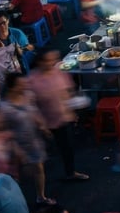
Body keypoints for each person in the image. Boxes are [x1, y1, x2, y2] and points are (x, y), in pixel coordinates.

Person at [28, 48, 89, 181]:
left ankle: (70, 172)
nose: (52, 63)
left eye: (54, 60)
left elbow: (68, 91)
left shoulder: (59, 72)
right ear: (40, 62)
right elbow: (31, 105)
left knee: (67, 147)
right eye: (48, 60)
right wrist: (41, 125)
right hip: (45, 123)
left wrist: (72, 110)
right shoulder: (32, 80)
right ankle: (38, 178)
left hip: (63, 118)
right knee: (44, 152)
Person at [0, 73, 53, 204]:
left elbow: (34, 112)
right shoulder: (4, 108)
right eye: (20, 85)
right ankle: (16, 202)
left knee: (39, 168)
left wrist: (42, 126)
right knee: (18, 175)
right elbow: (4, 131)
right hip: (17, 145)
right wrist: (16, 149)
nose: (24, 86)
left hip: (33, 140)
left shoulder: (28, 96)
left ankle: (40, 197)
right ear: (12, 87)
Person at [0, 10, 30, 98]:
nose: (2, 26)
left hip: (20, 70)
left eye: (3, 23)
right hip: (4, 76)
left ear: (8, 21)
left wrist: (18, 50)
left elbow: (26, 51)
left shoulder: (17, 34)